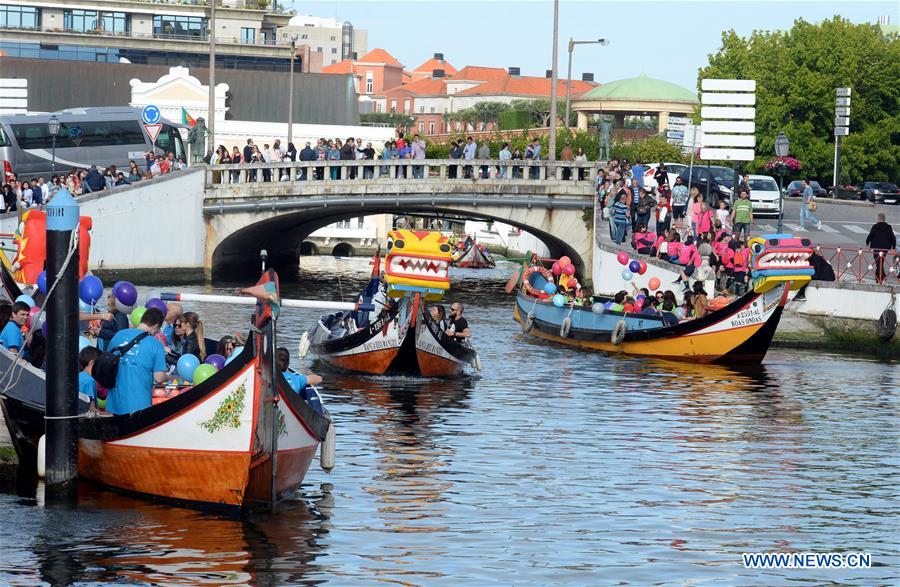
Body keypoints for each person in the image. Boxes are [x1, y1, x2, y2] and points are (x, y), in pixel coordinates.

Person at [104, 307, 169, 415]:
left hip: (113, 403)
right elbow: (159, 378)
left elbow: (107, 360)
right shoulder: (156, 345)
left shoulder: (119, 335)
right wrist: (168, 376)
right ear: (156, 327)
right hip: (139, 405)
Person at [275, 347, 323, 414]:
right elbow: (318, 379)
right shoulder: (297, 379)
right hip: (293, 411)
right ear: (288, 363)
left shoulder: (270, 377)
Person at [865, 212, 897, 284]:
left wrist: (867, 242)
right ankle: (878, 278)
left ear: (878, 218)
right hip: (885, 248)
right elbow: (892, 237)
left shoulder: (875, 226)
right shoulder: (889, 227)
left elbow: (871, 235)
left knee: (878, 262)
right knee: (880, 262)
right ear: (884, 219)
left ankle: (881, 278)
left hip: (876, 248)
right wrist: (893, 247)